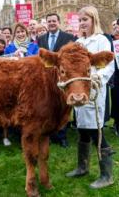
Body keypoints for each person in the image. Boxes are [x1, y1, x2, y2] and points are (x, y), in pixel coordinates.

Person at [66, 6, 115, 189]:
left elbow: (108, 65)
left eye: (85, 19)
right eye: (79, 20)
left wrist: (98, 79)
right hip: (79, 90)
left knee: (96, 131)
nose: (82, 23)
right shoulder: (78, 42)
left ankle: (106, 175)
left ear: (94, 20)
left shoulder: (102, 40)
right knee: (82, 129)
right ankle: (82, 167)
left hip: (94, 91)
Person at [37, 13, 75, 148]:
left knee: (62, 106)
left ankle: (62, 136)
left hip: (62, 78)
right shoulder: (40, 38)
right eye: (49, 21)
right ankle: (50, 134)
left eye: (54, 21)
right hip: (46, 79)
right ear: (46, 23)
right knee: (49, 106)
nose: (51, 23)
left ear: (59, 22)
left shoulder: (69, 37)